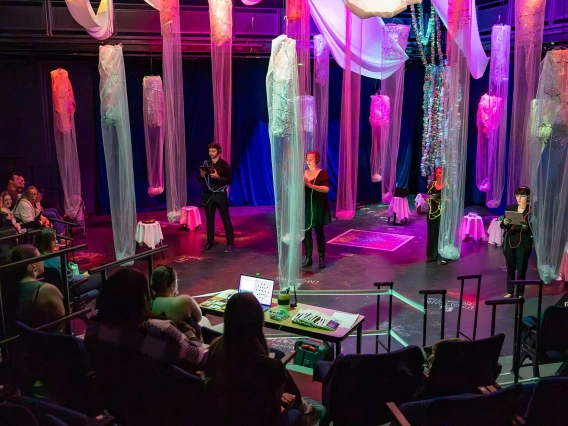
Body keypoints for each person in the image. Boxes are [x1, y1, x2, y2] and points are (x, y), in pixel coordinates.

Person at [205, 292, 320, 425]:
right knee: (300, 412)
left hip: (227, 418)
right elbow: (273, 412)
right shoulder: (271, 367)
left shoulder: (214, 349)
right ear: (259, 321)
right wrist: (277, 399)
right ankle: (305, 409)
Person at [85, 269, 205, 372]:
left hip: (112, 390)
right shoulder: (160, 329)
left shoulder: (94, 324)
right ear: (143, 298)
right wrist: (190, 333)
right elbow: (197, 355)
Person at [2, 245, 65, 330]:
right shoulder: (47, 290)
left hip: (23, 340)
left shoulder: (7, 287)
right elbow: (63, 324)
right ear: (32, 265)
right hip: (48, 340)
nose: (42, 260)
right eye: (39, 257)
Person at [35, 228, 101, 295]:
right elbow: (71, 280)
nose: (56, 241)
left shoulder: (35, 258)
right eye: (54, 239)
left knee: (94, 272)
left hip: (51, 292)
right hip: (69, 290)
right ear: (49, 242)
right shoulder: (56, 258)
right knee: (101, 278)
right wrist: (86, 274)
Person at [198, 142, 234, 253]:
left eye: (213, 151)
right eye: (210, 151)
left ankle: (230, 242)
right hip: (208, 195)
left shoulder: (224, 164)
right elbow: (200, 180)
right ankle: (209, 241)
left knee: (225, 218)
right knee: (209, 219)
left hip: (220, 195)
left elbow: (229, 181)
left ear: (219, 152)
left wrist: (218, 177)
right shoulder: (206, 163)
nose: (211, 153)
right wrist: (201, 175)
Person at [500, 186, 533, 298]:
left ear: (527, 197)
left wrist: (526, 226)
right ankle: (510, 291)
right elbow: (502, 226)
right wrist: (504, 222)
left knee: (521, 268)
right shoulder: (511, 207)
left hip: (523, 242)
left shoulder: (531, 210)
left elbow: (535, 229)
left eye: (522, 196)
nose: (519, 198)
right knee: (510, 267)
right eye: (517, 195)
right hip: (511, 240)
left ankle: (519, 293)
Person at [303, 150, 331, 268]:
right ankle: (308, 257)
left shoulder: (322, 173)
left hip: (318, 206)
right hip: (306, 206)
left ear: (317, 159)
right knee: (306, 233)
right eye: (307, 159)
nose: (308, 161)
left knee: (319, 232)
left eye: (311, 159)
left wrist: (311, 185)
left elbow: (326, 189)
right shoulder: (303, 173)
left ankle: (321, 258)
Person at [425, 167, 448, 265]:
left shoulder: (447, 187)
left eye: (440, 173)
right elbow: (427, 197)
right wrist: (428, 199)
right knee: (432, 234)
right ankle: (432, 255)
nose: (438, 175)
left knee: (442, 235)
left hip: (442, 213)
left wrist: (444, 200)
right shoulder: (432, 185)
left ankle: (443, 255)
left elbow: (452, 201)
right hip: (432, 213)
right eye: (437, 173)